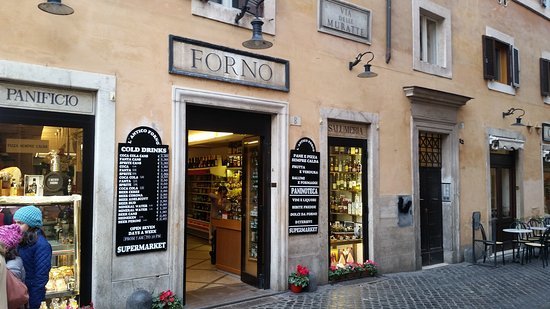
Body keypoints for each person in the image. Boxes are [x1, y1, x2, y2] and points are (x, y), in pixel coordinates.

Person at [14, 205, 52, 309]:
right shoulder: (21, 240)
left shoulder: (42, 245)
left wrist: (33, 304)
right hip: (20, 293)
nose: (16, 226)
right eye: (15, 222)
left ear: (31, 225)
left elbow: (41, 278)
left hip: (31, 296)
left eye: (20, 223)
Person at [208, 186, 230, 264]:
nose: (223, 194)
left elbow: (225, 208)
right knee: (214, 237)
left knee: (219, 238)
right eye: (222, 192)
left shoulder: (225, 200)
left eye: (224, 193)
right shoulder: (215, 198)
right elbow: (210, 194)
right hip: (214, 219)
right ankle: (214, 255)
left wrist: (225, 203)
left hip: (221, 220)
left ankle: (219, 255)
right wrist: (218, 197)